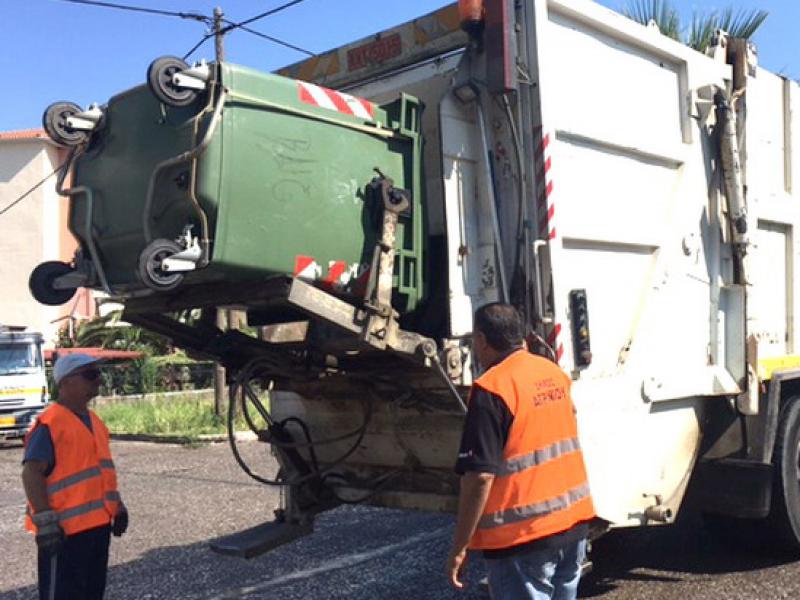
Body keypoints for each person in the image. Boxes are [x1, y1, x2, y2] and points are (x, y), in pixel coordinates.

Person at [446, 303, 595, 600]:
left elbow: (479, 478)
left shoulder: (492, 389)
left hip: (523, 538)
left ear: (482, 340)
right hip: (572, 525)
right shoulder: (553, 374)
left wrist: (461, 546)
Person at [21, 353, 128, 600]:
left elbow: (101, 473)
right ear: (65, 382)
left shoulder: (95, 422)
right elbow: (31, 472)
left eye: (98, 374)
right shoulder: (51, 423)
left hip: (97, 528)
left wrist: (118, 506)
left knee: (91, 593)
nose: (98, 380)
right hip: (64, 533)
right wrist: (46, 523)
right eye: (90, 374)